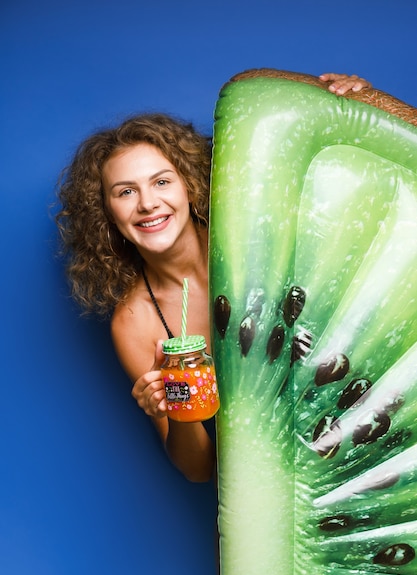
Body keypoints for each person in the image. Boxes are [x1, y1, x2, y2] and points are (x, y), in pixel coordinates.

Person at [55, 72, 372, 483]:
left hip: (365, 422)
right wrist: (174, 408)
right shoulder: (136, 322)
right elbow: (199, 469)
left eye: (161, 181)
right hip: (275, 484)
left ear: (189, 186)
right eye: (126, 191)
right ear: (107, 214)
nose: (148, 203)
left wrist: (360, 102)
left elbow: (350, 207)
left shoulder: (254, 233)